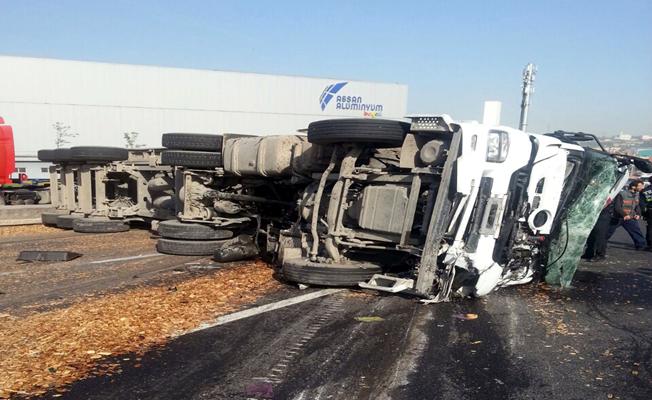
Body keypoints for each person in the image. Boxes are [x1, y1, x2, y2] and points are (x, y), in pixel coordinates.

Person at [606, 179, 646, 250]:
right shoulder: (622, 194)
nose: (642, 188)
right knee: (607, 232)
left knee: (636, 232)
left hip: (630, 218)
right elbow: (617, 207)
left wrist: (638, 214)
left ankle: (641, 246)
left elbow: (637, 206)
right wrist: (624, 215)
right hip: (618, 217)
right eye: (640, 186)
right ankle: (599, 244)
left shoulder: (637, 195)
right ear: (633, 187)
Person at [640, 176, 652, 250]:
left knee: (650, 228)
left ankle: (650, 244)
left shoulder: (645, 191)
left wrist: (643, 214)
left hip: (650, 210)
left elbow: (642, 204)